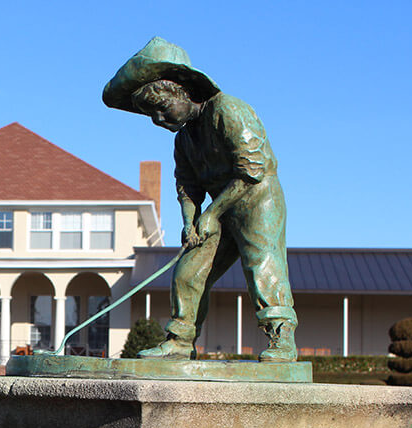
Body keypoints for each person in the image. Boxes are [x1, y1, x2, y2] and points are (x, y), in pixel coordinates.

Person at [104, 37, 298, 361]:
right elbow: (187, 185)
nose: (159, 120)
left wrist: (211, 213)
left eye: (162, 109)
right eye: (152, 116)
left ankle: (282, 338)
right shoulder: (184, 139)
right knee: (188, 270)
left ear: (182, 91)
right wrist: (189, 221)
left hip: (257, 197)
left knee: (262, 262)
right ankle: (180, 341)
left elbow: (252, 169)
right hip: (219, 208)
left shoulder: (228, 109)